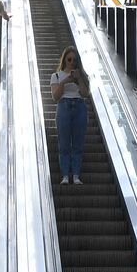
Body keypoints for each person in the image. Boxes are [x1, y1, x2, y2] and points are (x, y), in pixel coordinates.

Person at [50, 45, 91, 184]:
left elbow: (85, 94)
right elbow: (55, 97)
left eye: (74, 60)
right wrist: (64, 81)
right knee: (64, 143)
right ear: (64, 60)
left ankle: (76, 175)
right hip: (64, 107)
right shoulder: (56, 76)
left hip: (79, 107)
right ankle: (65, 175)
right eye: (69, 59)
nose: (71, 62)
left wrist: (79, 79)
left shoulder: (83, 76)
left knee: (78, 143)